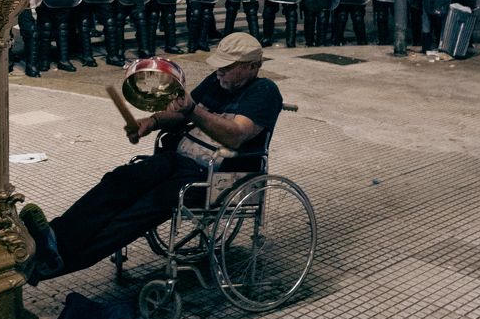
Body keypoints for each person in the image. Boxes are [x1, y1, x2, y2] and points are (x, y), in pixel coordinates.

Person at [19, 33, 283, 281]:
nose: (220, 71)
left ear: (252, 66)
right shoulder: (217, 81)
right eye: (219, 65)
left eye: (229, 66)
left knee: (147, 205)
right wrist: (153, 121)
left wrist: (193, 110)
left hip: (215, 175)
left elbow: (236, 135)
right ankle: (53, 237)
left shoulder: (264, 91)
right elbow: (181, 111)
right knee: (122, 179)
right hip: (180, 161)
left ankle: (61, 261)